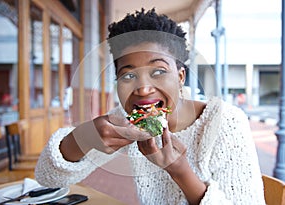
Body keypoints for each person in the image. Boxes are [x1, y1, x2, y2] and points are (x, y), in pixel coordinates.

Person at [35, 8, 265, 205]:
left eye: (158, 72)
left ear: (181, 76)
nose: (143, 89)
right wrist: (83, 136)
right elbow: (47, 178)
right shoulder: (126, 123)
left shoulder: (225, 122)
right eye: (128, 76)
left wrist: (180, 171)